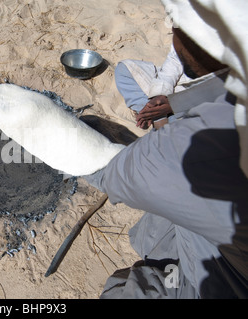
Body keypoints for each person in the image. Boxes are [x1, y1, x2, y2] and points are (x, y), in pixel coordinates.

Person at [84, 1, 248, 298]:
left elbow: (118, 176)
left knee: (121, 290)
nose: (172, 35)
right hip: (187, 113)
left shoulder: (202, 147)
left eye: (176, 29)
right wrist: (170, 101)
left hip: (225, 282)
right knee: (127, 74)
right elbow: (221, 83)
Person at [114, 30, 227, 130]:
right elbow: (174, 59)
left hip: (203, 98)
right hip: (177, 84)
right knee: (124, 69)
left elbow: (220, 90)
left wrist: (174, 105)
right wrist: (160, 95)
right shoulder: (187, 22)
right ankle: (152, 114)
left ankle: (159, 121)